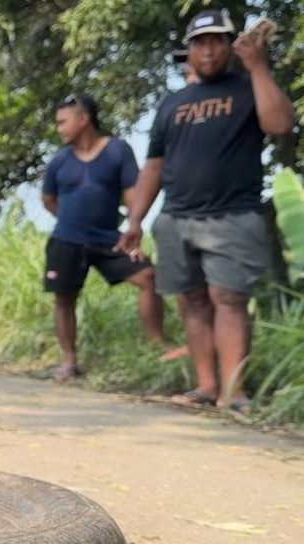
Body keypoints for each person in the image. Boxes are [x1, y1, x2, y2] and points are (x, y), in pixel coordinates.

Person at [118, 9, 295, 412]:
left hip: (233, 215)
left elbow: (280, 125)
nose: (209, 49)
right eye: (200, 42)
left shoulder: (249, 87)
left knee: (228, 298)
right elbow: (154, 167)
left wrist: (258, 66)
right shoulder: (172, 104)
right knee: (193, 300)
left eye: (217, 40)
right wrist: (135, 220)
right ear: (190, 50)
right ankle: (205, 386)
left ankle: (234, 393)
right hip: (177, 217)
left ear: (230, 47)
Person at [41, 93, 167, 381]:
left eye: (63, 122)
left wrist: (135, 224)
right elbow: (48, 199)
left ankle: (158, 347)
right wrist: (71, 221)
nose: (59, 128)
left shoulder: (117, 151)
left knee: (148, 276)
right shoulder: (59, 161)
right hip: (66, 240)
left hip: (110, 239)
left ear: (84, 119)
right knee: (64, 298)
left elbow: (133, 193)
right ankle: (69, 361)